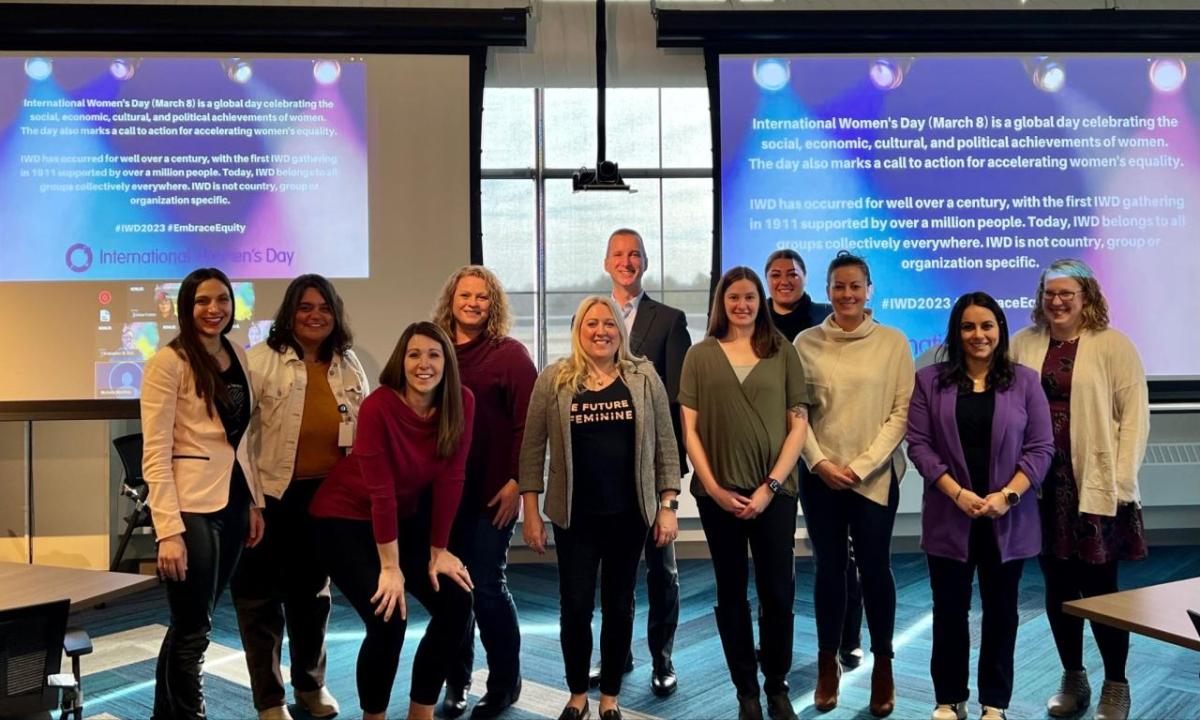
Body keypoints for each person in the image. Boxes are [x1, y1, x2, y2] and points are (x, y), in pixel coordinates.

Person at [519, 296, 681, 720]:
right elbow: (532, 449)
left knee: (619, 604)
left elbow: (666, 444)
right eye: (591, 323)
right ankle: (577, 695)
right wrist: (531, 512)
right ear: (578, 330)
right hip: (576, 518)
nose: (601, 331)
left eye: (609, 323)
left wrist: (668, 504)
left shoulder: (643, 377)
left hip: (630, 517)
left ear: (620, 331)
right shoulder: (554, 379)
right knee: (574, 607)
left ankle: (609, 697)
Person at [310, 322, 476, 720]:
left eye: (434, 355)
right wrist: (390, 568)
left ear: (447, 363)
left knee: (458, 602)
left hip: (398, 520)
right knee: (389, 615)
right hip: (342, 518)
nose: (424, 364)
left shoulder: (461, 402)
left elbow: (452, 477)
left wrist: (439, 551)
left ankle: (421, 712)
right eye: (414, 354)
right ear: (401, 362)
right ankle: (375, 717)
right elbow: (380, 490)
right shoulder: (379, 405)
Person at [1011, 259, 1150, 720]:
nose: (1057, 301)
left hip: (1095, 484)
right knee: (1057, 587)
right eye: (1050, 293)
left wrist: (1123, 482)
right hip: (1041, 486)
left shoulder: (1114, 346)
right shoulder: (1023, 343)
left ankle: (1116, 683)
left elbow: (1134, 418)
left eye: (1067, 293)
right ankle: (1073, 676)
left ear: (1087, 296)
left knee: (1102, 588)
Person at [907, 292, 1054, 720]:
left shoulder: (1025, 381)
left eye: (987, 326)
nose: (978, 335)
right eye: (968, 326)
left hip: (1008, 517)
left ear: (1000, 331)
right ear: (956, 332)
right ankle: (949, 698)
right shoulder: (929, 380)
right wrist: (957, 493)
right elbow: (919, 445)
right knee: (949, 611)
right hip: (949, 515)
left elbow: (1041, 448)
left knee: (1002, 612)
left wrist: (1006, 496)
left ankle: (995, 701)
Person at [231, 275, 368, 720]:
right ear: (290, 313)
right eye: (305, 307)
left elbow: (362, 432)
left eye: (324, 308)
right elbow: (238, 438)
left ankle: (311, 685)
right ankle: (269, 699)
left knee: (312, 598)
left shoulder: (347, 365)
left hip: (326, 498)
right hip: (269, 497)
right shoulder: (259, 362)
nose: (315, 315)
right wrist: (249, 502)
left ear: (335, 314)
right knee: (259, 601)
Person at [679, 267, 809, 720]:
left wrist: (770, 486)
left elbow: (799, 424)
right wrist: (712, 487)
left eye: (750, 296)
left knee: (778, 592)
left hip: (774, 493)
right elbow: (689, 430)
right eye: (734, 297)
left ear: (761, 301)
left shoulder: (784, 351)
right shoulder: (700, 355)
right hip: (719, 496)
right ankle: (746, 691)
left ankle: (776, 684)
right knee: (731, 591)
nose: (742, 305)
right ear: (722, 302)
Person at [140, 267, 265, 719]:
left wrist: (254, 502)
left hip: (232, 501)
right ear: (186, 308)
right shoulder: (168, 362)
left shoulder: (238, 352)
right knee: (195, 629)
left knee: (193, 620)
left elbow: (244, 438)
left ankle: (164, 715)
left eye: (222, 300)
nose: (214, 310)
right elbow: (154, 453)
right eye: (203, 302)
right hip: (190, 505)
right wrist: (168, 532)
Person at [793, 251, 914, 717]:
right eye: (838, 287)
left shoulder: (893, 342)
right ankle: (828, 663)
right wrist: (821, 462)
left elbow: (900, 412)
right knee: (828, 571)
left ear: (869, 291)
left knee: (875, 570)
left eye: (855, 287)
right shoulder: (805, 342)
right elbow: (797, 411)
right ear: (827, 291)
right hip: (820, 474)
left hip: (875, 476)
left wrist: (862, 465)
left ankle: (883, 666)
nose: (847, 294)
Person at [435, 266, 537, 719]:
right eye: (465, 295)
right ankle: (458, 681)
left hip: (493, 496)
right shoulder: (434, 351)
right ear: (451, 300)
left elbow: (531, 428)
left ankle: (504, 682)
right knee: (451, 592)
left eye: (482, 297)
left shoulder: (510, 355)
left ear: (493, 304)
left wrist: (518, 483)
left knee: (488, 590)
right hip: (441, 496)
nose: (473, 303)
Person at [599, 227, 690, 696]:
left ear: (646, 262)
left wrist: (670, 478)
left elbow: (680, 400)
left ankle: (663, 658)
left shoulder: (670, 320)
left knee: (662, 570)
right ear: (606, 262)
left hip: (654, 470)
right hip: (607, 471)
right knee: (613, 570)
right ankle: (617, 654)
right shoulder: (594, 319)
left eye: (634, 254)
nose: (627, 261)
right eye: (618, 254)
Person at [764, 249, 865, 669]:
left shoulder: (827, 318)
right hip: (771, 448)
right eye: (775, 274)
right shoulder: (754, 320)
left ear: (807, 279)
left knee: (841, 555)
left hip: (824, 450)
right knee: (773, 553)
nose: (784, 280)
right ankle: (775, 646)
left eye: (792, 273)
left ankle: (849, 638)